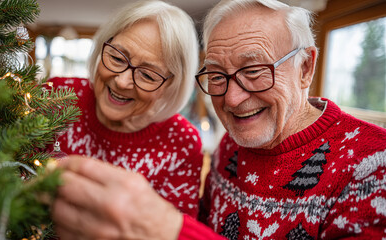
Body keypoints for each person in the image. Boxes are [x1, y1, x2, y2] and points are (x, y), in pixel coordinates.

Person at [51, 0, 386, 239]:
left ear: (305, 67)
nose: (231, 99)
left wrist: (169, 231)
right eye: (216, 75)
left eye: (254, 71)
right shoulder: (233, 144)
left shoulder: (373, 162)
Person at [48, 0, 203, 220]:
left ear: (172, 86)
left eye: (148, 75)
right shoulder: (57, 96)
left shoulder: (181, 142)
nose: (122, 82)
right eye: (117, 58)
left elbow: (173, 230)